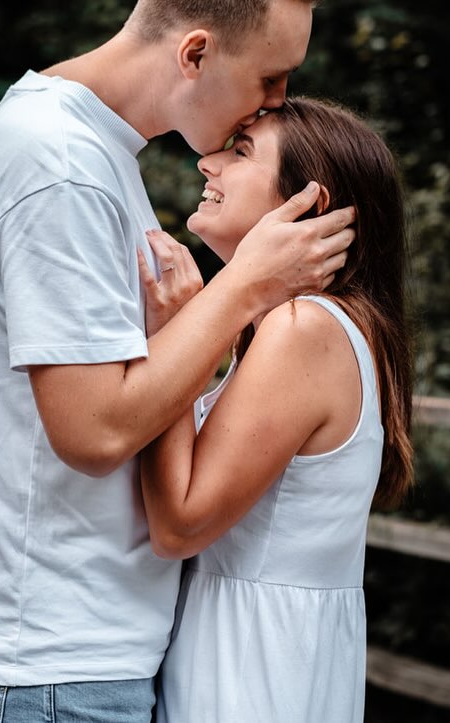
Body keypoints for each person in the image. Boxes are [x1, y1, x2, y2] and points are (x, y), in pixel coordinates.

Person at [0, 0, 357, 723]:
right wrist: (242, 290)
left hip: (86, 650)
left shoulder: (93, 155)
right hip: (56, 661)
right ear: (195, 51)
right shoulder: (58, 167)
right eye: (270, 78)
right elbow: (92, 432)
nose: (275, 104)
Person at [139, 96, 415, 723]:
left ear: (307, 210)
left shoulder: (303, 328)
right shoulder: (291, 331)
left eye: (241, 152)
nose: (207, 163)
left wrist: (177, 336)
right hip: (261, 655)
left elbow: (179, 524)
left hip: (251, 673)